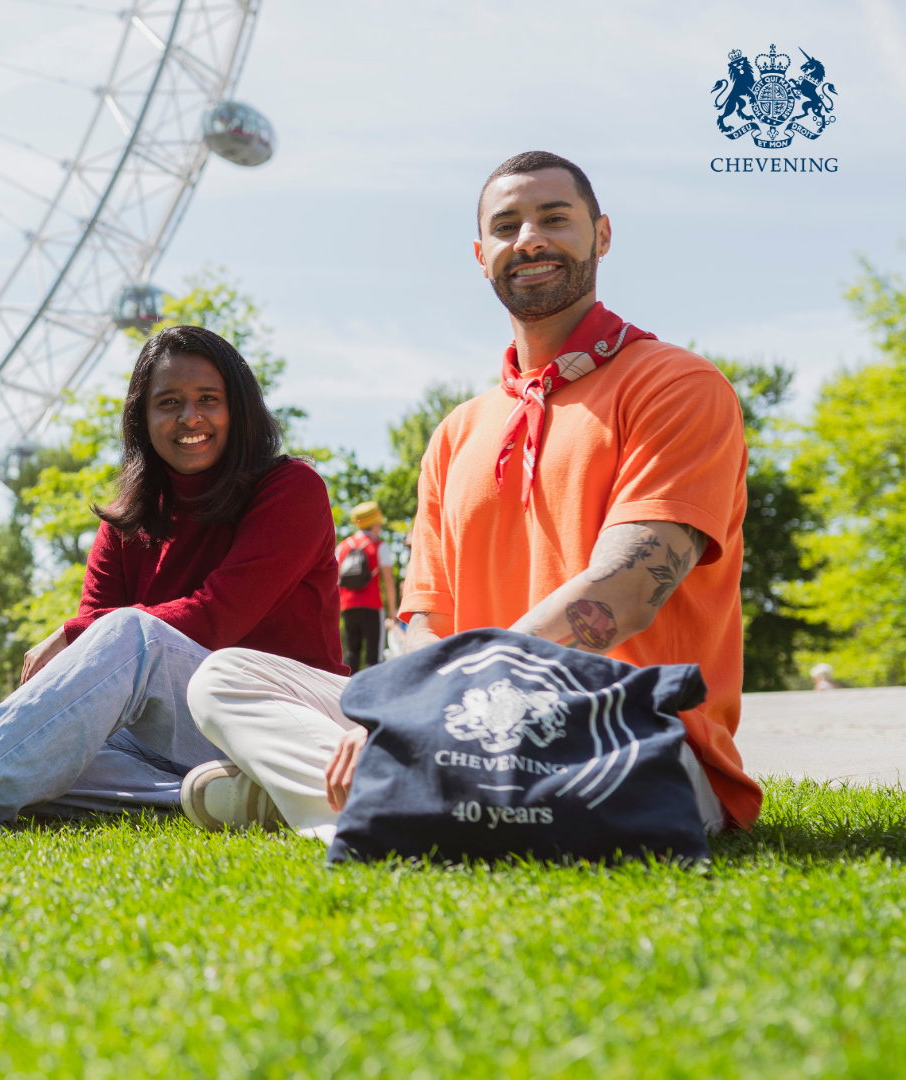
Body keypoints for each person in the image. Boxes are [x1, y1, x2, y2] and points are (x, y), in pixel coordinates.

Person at [184, 151, 756, 840]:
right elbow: (424, 619)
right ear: (481, 254)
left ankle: (347, 805)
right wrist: (401, 715)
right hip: (462, 724)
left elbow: (629, 589)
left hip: (622, 731)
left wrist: (439, 703)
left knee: (557, 771)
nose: (529, 239)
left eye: (554, 219)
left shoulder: (677, 385)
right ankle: (401, 801)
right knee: (224, 679)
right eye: (507, 225)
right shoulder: (458, 433)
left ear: (602, 236)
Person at [0, 324, 345, 843]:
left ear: (239, 409)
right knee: (37, 751)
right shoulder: (127, 521)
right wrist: (82, 646)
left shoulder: (291, 490)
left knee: (130, 638)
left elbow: (213, 619)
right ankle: (212, 794)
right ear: (142, 420)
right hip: (177, 743)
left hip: (281, 715)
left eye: (208, 399)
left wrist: (79, 632)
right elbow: (94, 670)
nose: (189, 417)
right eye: (168, 403)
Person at [335, 501, 397, 672]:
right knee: (374, 658)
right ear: (375, 523)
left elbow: (335, 579)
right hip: (372, 606)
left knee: (351, 654)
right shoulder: (379, 546)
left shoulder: (342, 546)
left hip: (347, 606)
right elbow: (388, 581)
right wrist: (392, 612)